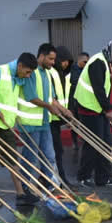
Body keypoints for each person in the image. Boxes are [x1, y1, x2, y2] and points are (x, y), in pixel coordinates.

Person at [0, 53, 39, 207]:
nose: (28, 75)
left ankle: (20, 194)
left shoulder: (18, 78)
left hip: (7, 124)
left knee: (13, 159)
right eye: (27, 72)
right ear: (20, 66)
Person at [18, 43, 73, 188]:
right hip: (30, 123)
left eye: (54, 59)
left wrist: (64, 110)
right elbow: (31, 97)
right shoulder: (31, 72)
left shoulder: (48, 73)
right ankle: (25, 187)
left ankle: (51, 186)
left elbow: (51, 98)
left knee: (50, 156)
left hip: (44, 122)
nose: (53, 62)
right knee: (31, 157)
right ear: (41, 56)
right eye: (50, 59)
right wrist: (49, 107)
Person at [76, 39, 112, 187]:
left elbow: (108, 87)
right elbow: (98, 89)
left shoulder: (107, 63)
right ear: (109, 50)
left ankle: (103, 177)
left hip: (98, 108)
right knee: (93, 144)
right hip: (88, 108)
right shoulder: (97, 62)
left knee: (106, 143)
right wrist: (108, 109)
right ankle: (84, 176)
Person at [48, 46, 74, 185]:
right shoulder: (51, 73)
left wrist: (67, 116)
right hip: (50, 117)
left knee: (57, 150)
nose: (65, 64)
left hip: (58, 117)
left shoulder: (62, 75)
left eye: (68, 63)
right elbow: (51, 97)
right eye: (64, 61)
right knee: (55, 150)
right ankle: (58, 179)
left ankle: (55, 178)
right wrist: (63, 111)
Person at [68, 52, 90, 149]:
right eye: (85, 62)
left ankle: (83, 140)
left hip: (83, 100)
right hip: (74, 100)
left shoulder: (85, 70)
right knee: (74, 121)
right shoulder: (73, 69)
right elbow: (74, 82)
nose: (86, 64)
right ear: (79, 60)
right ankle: (74, 141)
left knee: (83, 121)